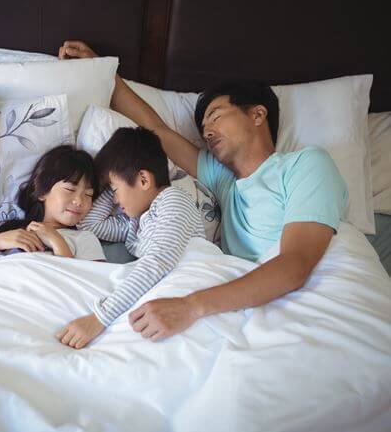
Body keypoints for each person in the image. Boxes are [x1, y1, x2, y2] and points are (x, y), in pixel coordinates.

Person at [58, 41, 348, 342]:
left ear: (257, 114)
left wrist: (190, 307)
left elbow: (295, 265)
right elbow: (156, 130)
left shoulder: (306, 164)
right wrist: (102, 71)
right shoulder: (224, 181)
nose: (207, 131)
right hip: (245, 309)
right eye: (203, 127)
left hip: (305, 307)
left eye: (216, 116)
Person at [56, 127, 205, 348]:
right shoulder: (134, 225)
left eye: (115, 190)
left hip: (193, 287)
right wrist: (113, 182)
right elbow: (88, 224)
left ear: (143, 180)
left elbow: (157, 262)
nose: (115, 200)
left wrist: (99, 318)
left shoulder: (174, 200)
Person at [0, 145, 105, 261]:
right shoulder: (6, 229)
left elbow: (91, 277)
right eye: (70, 189)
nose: (79, 201)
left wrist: (57, 242)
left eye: (88, 194)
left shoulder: (85, 239)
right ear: (42, 192)